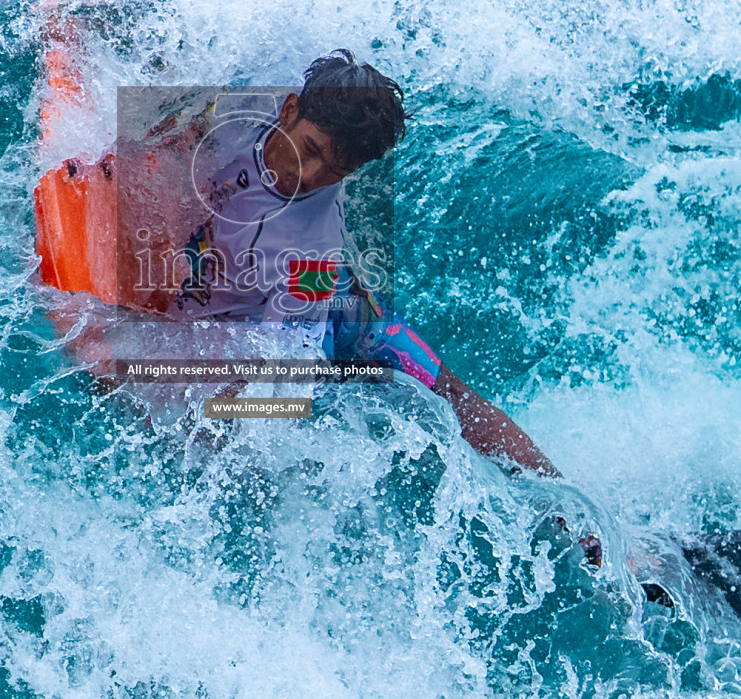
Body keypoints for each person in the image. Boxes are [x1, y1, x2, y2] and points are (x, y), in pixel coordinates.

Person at [160, 50, 560, 478]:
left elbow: (282, 393)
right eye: (310, 148)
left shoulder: (310, 257)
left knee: (445, 392)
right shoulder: (246, 105)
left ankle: (563, 502)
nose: (310, 175)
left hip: (332, 317)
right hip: (306, 291)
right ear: (289, 108)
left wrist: (199, 418)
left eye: (335, 170)